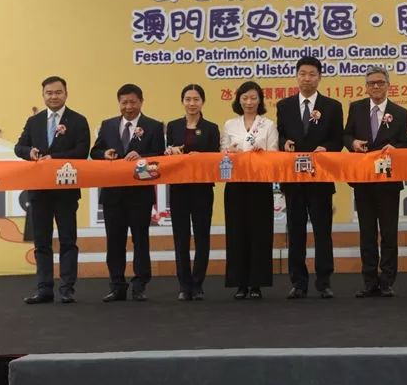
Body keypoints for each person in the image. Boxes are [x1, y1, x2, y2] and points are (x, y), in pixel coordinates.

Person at [13, 76, 90, 304]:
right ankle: (44, 289)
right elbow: (19, 147)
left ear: (66, 94)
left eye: (58, 92)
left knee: (68, 241)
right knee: (42, 243)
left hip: (66, 190)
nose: (53, 96)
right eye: (49, 93)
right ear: (43, 95)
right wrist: (29, 152)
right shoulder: (34, 121)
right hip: (39, 191)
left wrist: (53, 158)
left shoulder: (78, 120)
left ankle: (67, 289)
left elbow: (82, 151)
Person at [276, 57, 344, 299]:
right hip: (293, 180)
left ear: (319, 77)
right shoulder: (284, 106)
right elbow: (279, 135)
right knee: (295, 233)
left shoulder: (332, 106)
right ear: (296, 76)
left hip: (320, 180)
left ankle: (324, 281)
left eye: (312, 74)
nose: (307, 78)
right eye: (303, 73)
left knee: (322, 232)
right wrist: (284, 143)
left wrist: (327, 148)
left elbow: (338, 139)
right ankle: (298, 282)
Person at [90, 84, 165, 302]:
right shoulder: (107, 125)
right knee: (114, 241)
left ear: (141, 102)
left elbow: (160, 156)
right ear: (119, 103)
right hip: (113, 195)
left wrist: (142, 156)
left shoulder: (153, 126)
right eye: (124, 102)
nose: (128, 107)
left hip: (140, 194)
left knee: (140, 240)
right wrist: (104, 153)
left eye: (133, 102)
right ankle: (117, 285)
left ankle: (140, 285)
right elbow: (95, 151)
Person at [342, 65, 407, 298]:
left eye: (380, 82)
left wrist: (396, 148)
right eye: (372, 83)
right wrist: (353, 144)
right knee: (367, 233)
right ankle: (369, 281)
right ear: (366, 87)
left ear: (388, 85)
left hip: (388, 182)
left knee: (389, 233)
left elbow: (406, 144)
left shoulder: (400, 112)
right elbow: (346, 134)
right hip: (363, 180)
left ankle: (387, 281)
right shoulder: (356, 108)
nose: (376, 86)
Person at [221, 80, 278, 300]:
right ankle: (240, 283)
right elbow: (222, 154)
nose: (249, 102)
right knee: (237, 233)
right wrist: (230, 151)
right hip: (236, 185)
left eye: (254, 98)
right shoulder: (230, 125)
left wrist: (261, 153)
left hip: (260, 185)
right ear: (238, 100)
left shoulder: (268, 125)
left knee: (260, 233)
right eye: (245, 98)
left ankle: (256, 283)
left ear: (260, 100)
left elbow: (274, 154)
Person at [164, 84, 220, 301]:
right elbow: (166, 154)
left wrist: (201, 157)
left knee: (202, 236)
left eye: (196, 99)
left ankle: (198, 285)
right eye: (188, 99)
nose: (192, 103)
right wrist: (171, 151)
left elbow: (216, 157)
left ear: (202, 102)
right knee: (181, 238)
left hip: (202, 188)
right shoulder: (173, 126)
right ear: (182, 102)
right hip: (179, 188)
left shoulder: (211, 128)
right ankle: (184, 285)